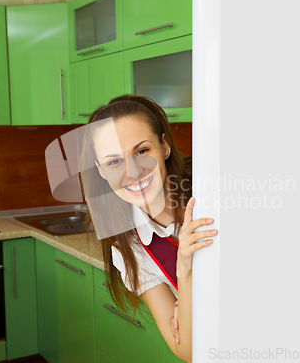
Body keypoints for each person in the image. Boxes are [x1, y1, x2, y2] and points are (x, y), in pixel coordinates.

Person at [79, 94, 217, 363]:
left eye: (142, 151)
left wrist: (189, 310)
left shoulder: (211, 190)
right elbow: (187, 352)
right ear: (101, 171)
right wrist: (185, 271)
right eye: (114, 161)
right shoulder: (128, 245)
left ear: (164, 146)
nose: (133, 172)